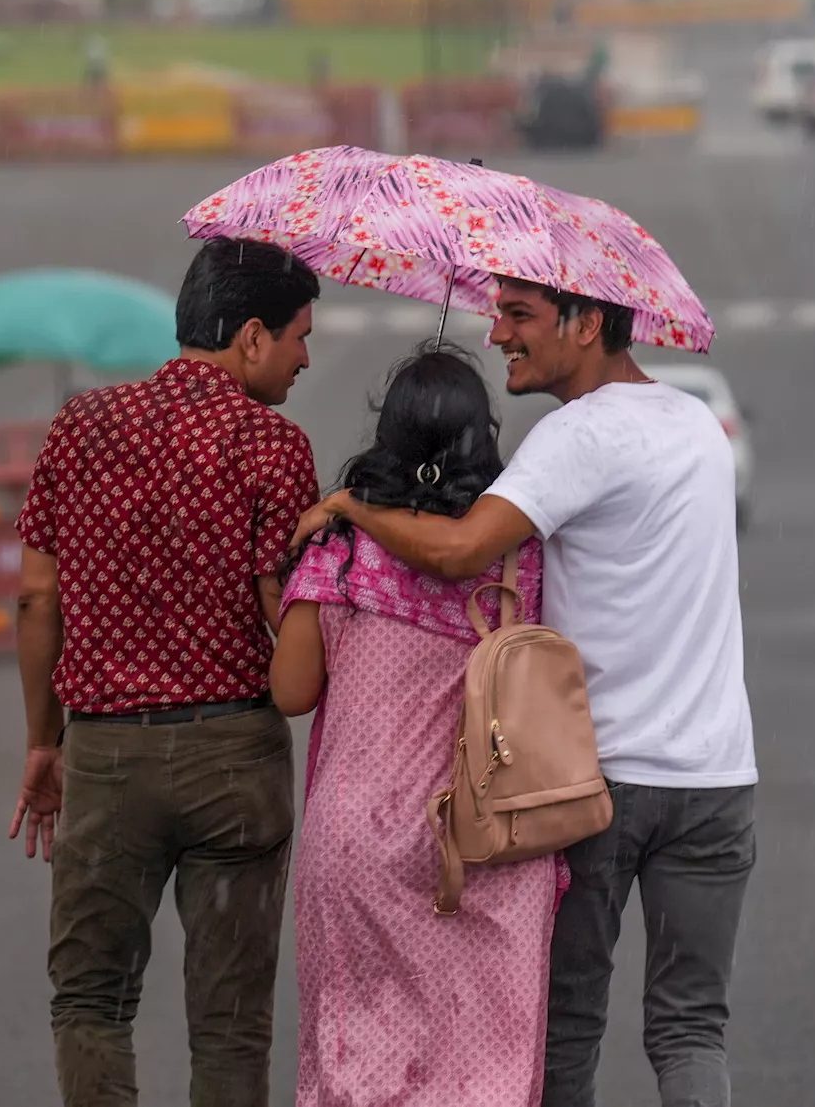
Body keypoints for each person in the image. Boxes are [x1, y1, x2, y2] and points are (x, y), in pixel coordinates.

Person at [297, 278, 757, 1107]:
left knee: (565, 1029)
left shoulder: (574, 434)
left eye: (520, 317)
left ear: (586, 326)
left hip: (594, 782)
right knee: (691, 1029)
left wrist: (349, 507)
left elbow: (461, 549)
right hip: (718, 775)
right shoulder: (695, 423)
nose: (499, 333)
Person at [10, 235, 321, 1107]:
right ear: (251, 336)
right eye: (300, 334)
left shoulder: (80, 426)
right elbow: (283, 612)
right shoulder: (273, 446)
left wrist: (44, 743)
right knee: (230, 1023)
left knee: (92, 999)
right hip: (235, 761)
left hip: (108, 763)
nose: (306, 356)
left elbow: (39, 598)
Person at [273, 344, 558, 1107]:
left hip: (357, 837)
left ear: (387, 434)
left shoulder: (338, 551)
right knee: (478, 1070)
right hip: (486, 837)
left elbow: (292, 690)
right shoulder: (520, 558)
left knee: (360, 1054)